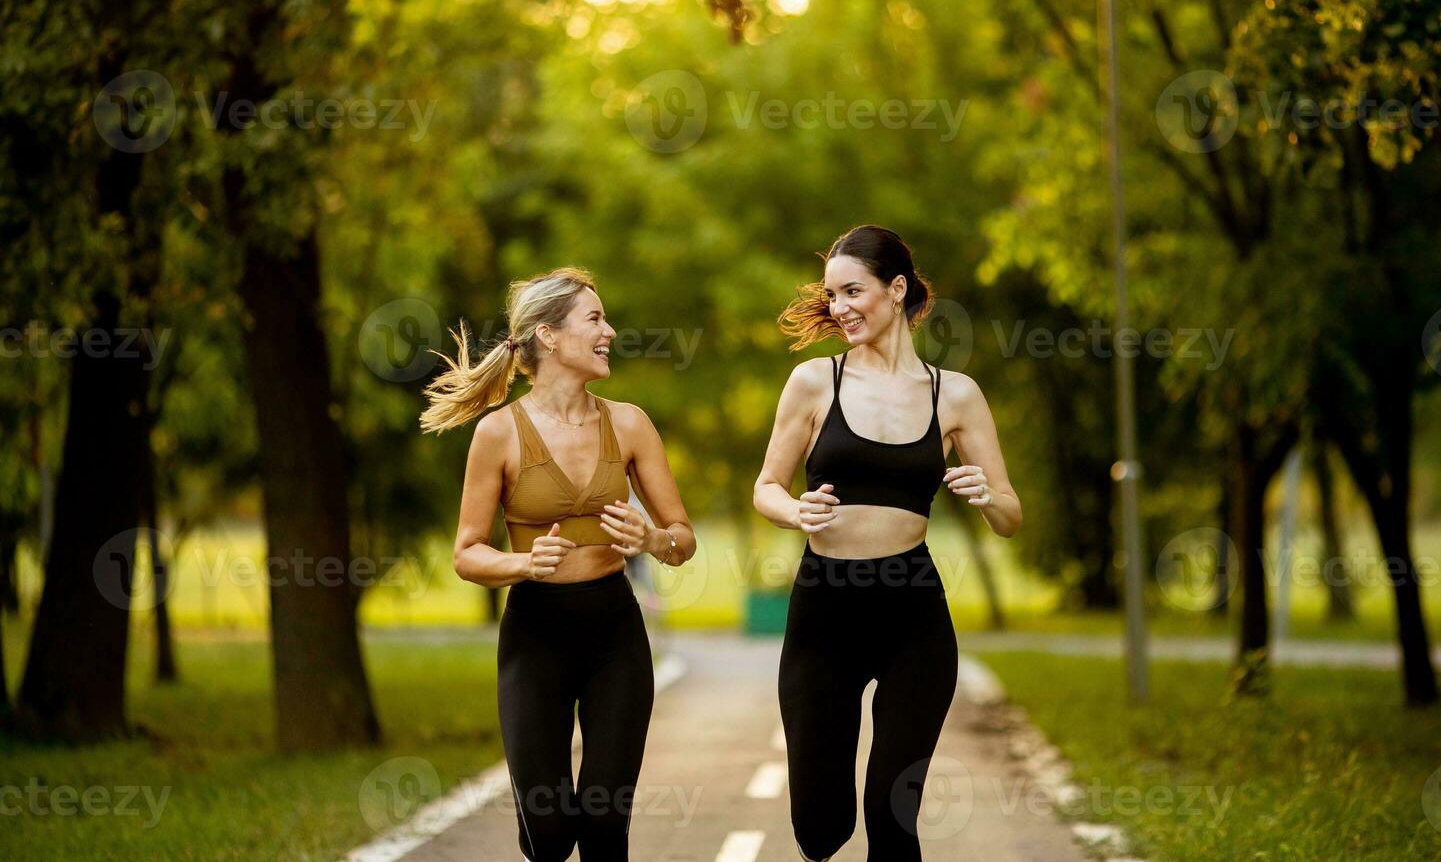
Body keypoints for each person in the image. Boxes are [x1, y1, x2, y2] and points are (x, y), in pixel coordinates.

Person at [753, 225, 1021, 861]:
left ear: (896, 290)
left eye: (853, 291)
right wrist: (795, 512)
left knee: (892, 814)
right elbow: (766, 486)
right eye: (832, 295)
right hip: (825, 608)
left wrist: (987, 496)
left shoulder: (954, 393)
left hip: (912, 613)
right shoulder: (815, 382)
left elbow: (1011, 515)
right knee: (821, 830)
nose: (839, 307)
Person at [421, 266, 696, 862]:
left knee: (603, 828)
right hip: (534, 638)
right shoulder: (498, 433)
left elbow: (682, 537)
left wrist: (651, 540)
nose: (610, 331)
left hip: (614, 637)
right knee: (547, 836)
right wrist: (522, 564)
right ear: (548, 335)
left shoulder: (629, 424)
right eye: (595, 319)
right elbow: (467, 552)